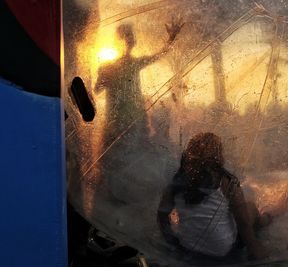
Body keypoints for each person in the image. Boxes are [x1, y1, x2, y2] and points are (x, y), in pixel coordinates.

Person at [157, 132, 270, 260]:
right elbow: (243, 223)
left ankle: (264, 219)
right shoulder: (226, 182)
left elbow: (162, 215)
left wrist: (172, 242)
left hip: (187, 249)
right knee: (250, 208)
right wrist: (254, 247)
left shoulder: (177, 182)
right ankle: (265, 219)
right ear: (218, 155)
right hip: (223, 252)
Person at [94, 18, 183, 144]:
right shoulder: (109, 67)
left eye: (131, 37)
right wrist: (104, 76)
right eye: (126, 36)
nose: (129, 41)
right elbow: (96, 90)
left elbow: (159, 55)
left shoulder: (135, 63)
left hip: (136, 124)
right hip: (115, 128)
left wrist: (171, 39)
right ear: (119, 41)